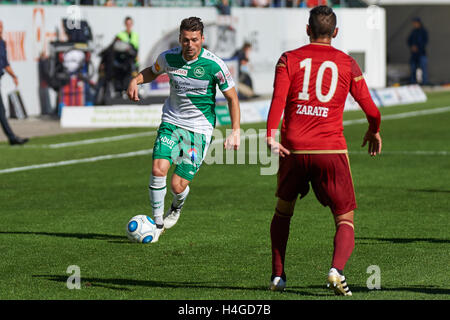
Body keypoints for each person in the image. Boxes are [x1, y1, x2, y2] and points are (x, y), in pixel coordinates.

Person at [266, 6, 382, 295]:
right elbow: (373, 111)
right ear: (336, 33)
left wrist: (270, 134)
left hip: (292, 148)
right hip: (329, 150)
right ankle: (336, 270)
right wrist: (373, 129)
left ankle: (278, 277)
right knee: (345, 217)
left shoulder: (288, 59)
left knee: (283, 211)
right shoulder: (347, 63)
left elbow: (278, 100)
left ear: (307, 30)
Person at [127, 17, 241, 243]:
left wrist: (235, 130)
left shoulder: (214, 65)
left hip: (199, 130)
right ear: (180, 39)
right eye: (186, 40)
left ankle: (176, 207)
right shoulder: (169, 58)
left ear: (202, 39)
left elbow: (232, 98)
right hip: (171, 121)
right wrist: (136, 80)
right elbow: (152, 71)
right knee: (159, 169)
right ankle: (157, 224)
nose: (190, 45)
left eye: (195, 40)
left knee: (178, 185)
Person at [0, 20, 28, 145]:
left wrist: (13, 76)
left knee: (1, 112)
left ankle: (12, 138)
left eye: (1, 26)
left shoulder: (2, 43)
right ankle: (12, 137)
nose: (1, 28)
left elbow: (5, 63)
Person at [407, 17, 428, 85]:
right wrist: (412, 46)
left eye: (415, 23)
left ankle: (424, 83)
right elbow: (408, 40)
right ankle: (413, 82)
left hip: (421, 53)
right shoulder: (413, 32)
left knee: (423, 69)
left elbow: (425, 42)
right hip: (414, 54)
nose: (414, 24)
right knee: (413, 69)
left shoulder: (423, 31)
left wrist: (418, 47)